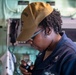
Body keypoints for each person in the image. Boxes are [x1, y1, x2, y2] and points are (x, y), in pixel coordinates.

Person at [17, 2, 76, 75]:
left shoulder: (71, 57)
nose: (29, 42)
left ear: (48, 30)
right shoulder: (45, 51)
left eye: (32, 37)